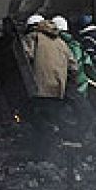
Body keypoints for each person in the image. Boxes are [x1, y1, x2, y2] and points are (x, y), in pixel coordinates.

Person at [22, 14, 76, 148]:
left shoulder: (33, 38)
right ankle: (55, 146)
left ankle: (42, 150)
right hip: (58, 90)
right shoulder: (61, 43)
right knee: (53, 118)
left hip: (39, 89)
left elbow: (24, 56)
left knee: (39, 123)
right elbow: (74, 67)